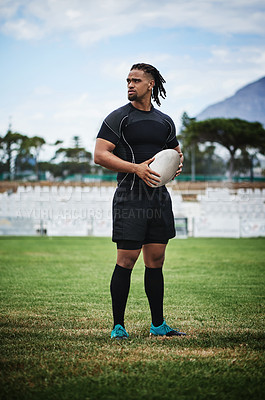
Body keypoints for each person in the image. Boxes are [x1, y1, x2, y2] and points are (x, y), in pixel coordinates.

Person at [94, 63, 186, 339]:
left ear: (151, 84)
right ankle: (118, 326)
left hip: (158, 199)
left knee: (156, 260)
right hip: (130, 198)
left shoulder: (164, 121)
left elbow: (175, 153)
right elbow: (100, 155)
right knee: (126, 259)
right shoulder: (118, 118)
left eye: (136, 81)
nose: (130, 85)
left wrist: (176, 165)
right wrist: (136, 168)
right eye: (128, 81)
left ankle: (158, 325)